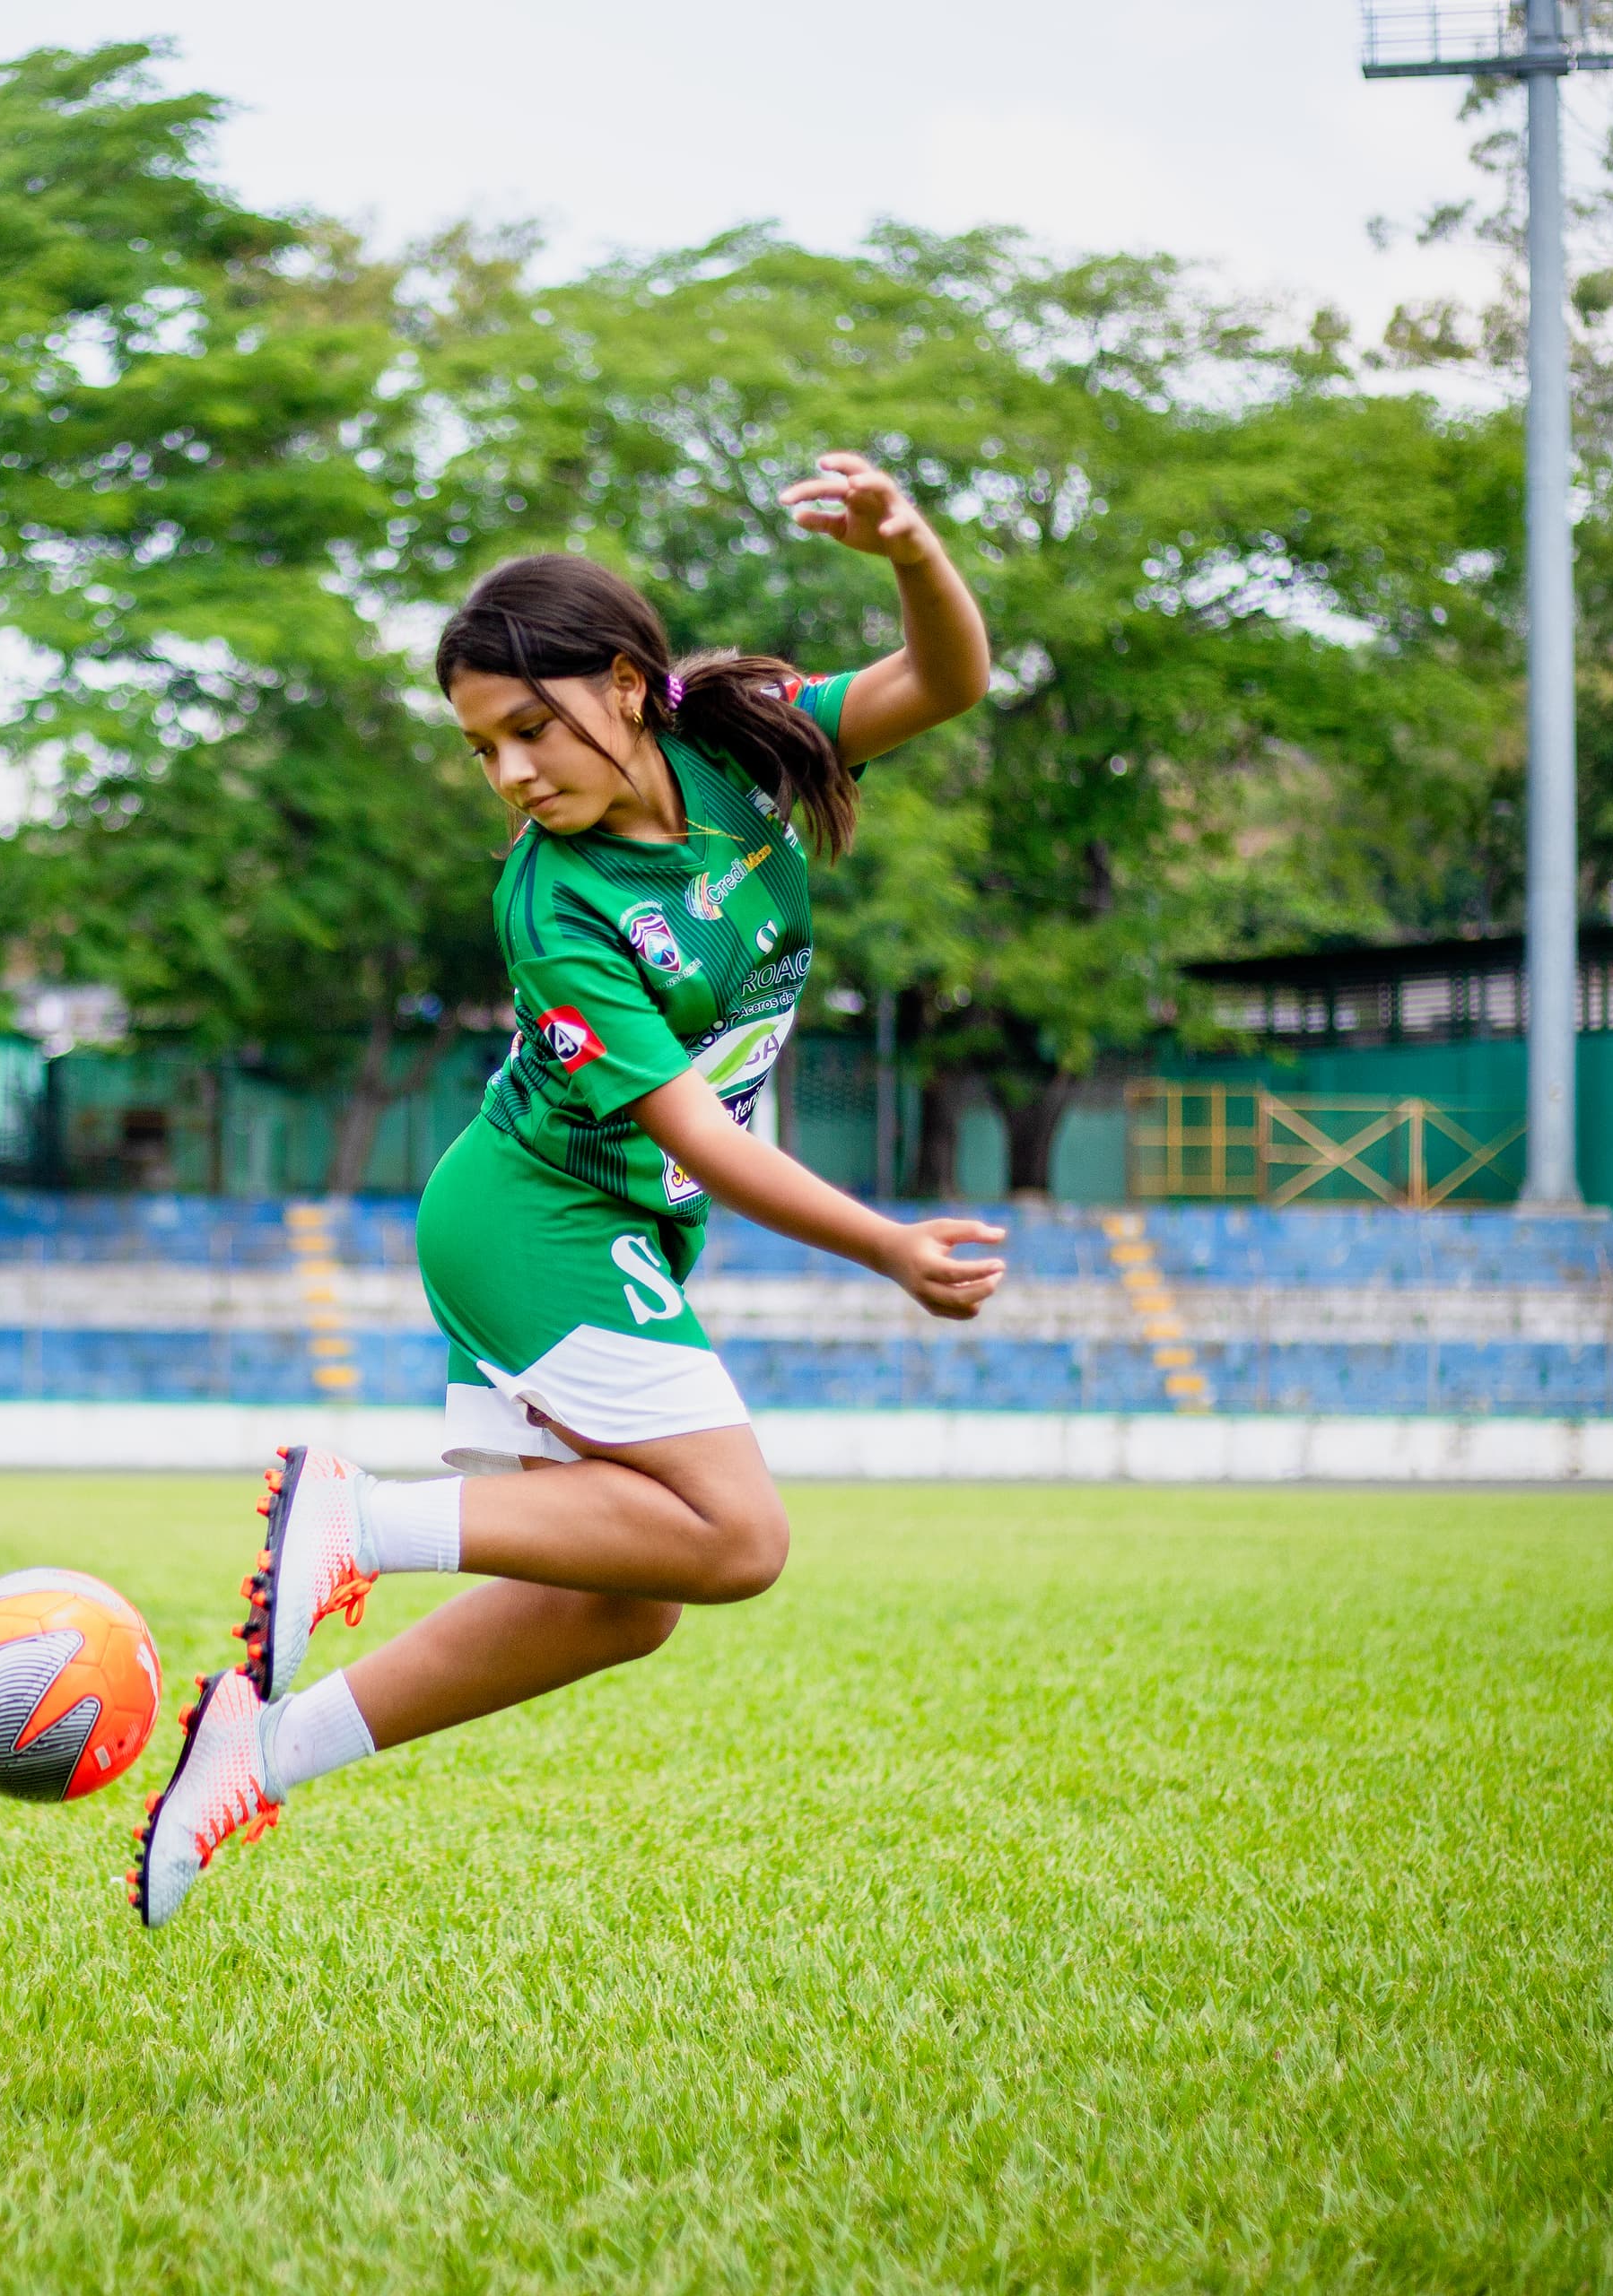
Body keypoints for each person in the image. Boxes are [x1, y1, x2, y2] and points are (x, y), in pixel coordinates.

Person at [131, 451, 1007, 1926]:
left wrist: (912, 544)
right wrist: (886, 1247)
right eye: (483, 748)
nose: (514, 773)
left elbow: (949, 679)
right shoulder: (553, 900)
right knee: (740, 1539)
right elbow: (703, 1134)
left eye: (530, 728)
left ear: (623, 682)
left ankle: (264, 1753)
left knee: (624, 1605)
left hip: (616, 1221)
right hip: (537, 1219)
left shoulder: (747, 746)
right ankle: (357, 1520)